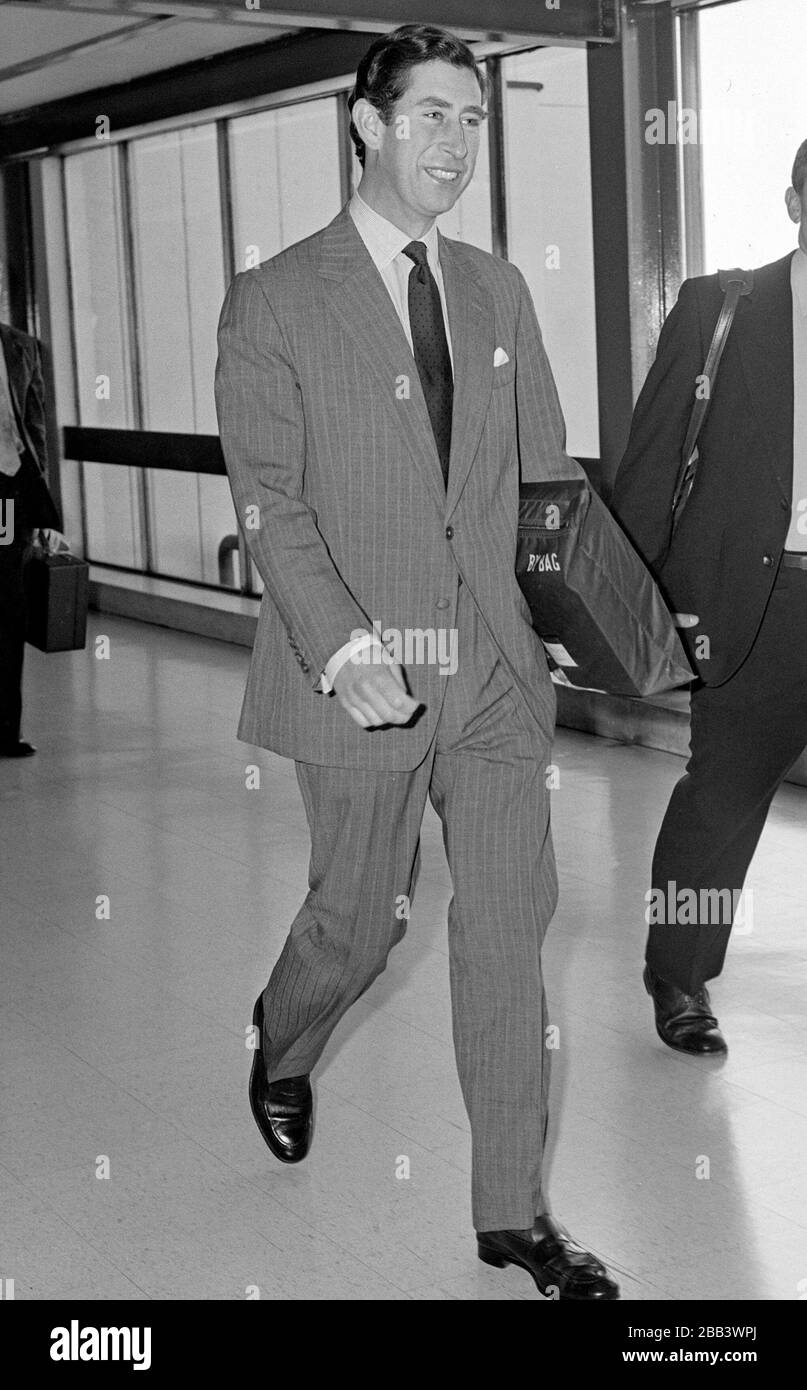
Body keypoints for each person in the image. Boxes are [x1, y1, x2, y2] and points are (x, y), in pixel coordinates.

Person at [215, 23, 617, 1299]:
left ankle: (513, 1214)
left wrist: (597, 622)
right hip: (367, 675)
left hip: (492, 670)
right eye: (434, 116)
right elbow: (271, 502)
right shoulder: (277, 297)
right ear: (367, 123)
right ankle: (284, 1034)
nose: (457, 145)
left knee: (507, 928)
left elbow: (542, 480)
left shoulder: (497, 289)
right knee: (362, 922)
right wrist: (339, 645)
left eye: (473, 119)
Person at [611, 139, 807, 1056]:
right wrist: (625, 608)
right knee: (719, 797)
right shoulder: (722, 307)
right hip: (754, 603)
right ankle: (678, 977)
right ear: (793, 201)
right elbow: (653, 460)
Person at [0, 314, 60, 758]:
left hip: (7, 493)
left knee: (8, 607)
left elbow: (35, 429)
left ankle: (5, 730)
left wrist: (41, 510)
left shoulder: (22, 347)